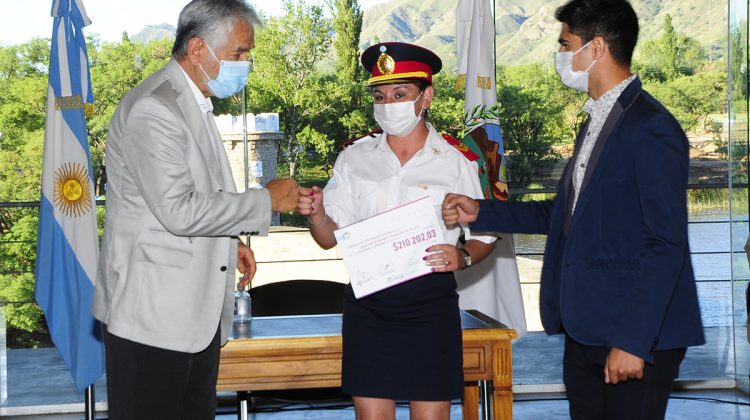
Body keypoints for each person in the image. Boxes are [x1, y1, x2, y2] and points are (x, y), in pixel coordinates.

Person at [442, 0, 705, 418]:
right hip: (586, 330)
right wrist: (480, 210)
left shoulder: (651, 126)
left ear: (596, 48)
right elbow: (564, 214)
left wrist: (634, 341)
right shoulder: (597, 120)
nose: (560, 55)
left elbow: (665, 243)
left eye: (566, 45)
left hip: (632, 337)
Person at [92, 1, 298, 418]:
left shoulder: (193, 101)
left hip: (192, 319)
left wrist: (229, 241)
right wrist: (267, 200)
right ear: (199, 48)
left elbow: (196, 194)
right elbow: (179, 211)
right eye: (239, 53)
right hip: (154, 318)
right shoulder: (155, 108)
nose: (246, 64)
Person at [297, 42, 496, 419]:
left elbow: (484, 235)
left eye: (400, 94)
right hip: (369, 305)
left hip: (429, 305)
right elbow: (327, 239)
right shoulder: (353, 158)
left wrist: (463, 255)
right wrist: (318, 214)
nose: (389, 104)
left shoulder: (457, 161)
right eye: (381, 95)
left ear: (426, 97)